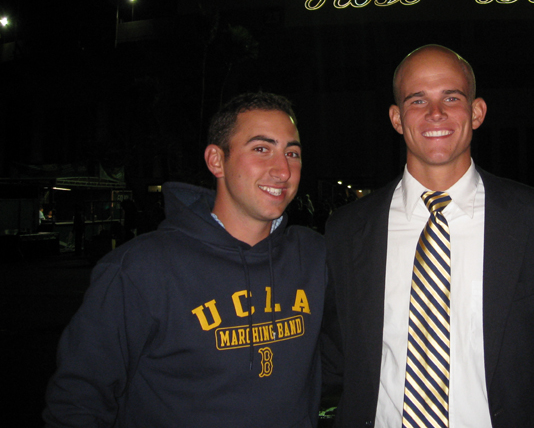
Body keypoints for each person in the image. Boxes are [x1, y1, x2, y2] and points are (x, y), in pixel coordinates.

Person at [44, 92, 327, 428]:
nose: (282, 170)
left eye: (292, 153)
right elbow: (78, 401)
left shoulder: (314, 256)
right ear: (216, 161)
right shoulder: (139, 268)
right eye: (261, 149)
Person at [324, 45, 534, 428]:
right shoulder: (347, 230)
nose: (435, 113)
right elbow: (332, 355)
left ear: (476, 112)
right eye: (417, 99)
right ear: (397, 118)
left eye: (451, 98)